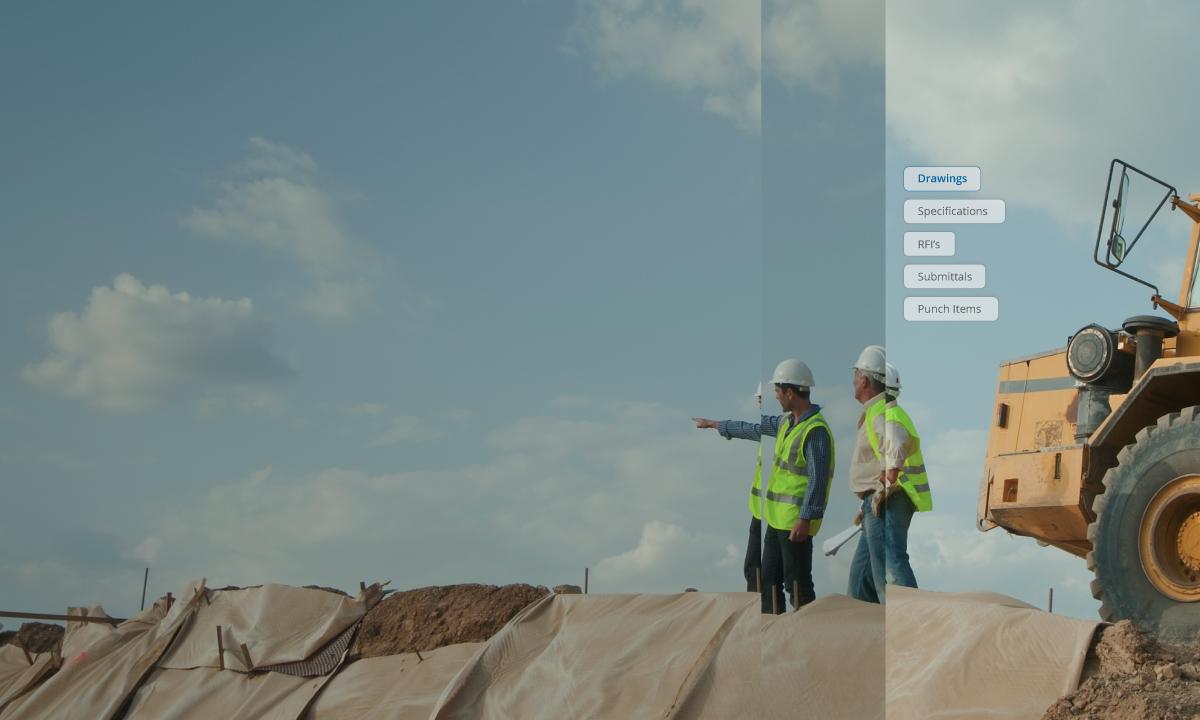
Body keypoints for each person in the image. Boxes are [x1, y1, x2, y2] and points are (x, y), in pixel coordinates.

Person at [695, 359, 834, 613]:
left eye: (778, 392)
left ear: (790, 392)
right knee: (768, 580)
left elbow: (818, 478)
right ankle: (770, 629)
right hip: (774, 519)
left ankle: (807, 634)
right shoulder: (785, 423)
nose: (776, 398)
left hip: (795, 523)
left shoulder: (815, 431)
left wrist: (805, 518)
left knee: (797, 583)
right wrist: (718, 425)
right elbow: (754, 428)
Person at [846, 349, 931, 604]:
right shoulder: (877, 411)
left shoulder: (883, 411)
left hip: (887, 499)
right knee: (860, 581)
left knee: (890, 568)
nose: (853, 380)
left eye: (856, 375)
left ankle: (910, 620)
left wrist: (888, 480)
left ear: (864, 381)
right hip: (874, 502)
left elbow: (896, 442)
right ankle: (867, 633)